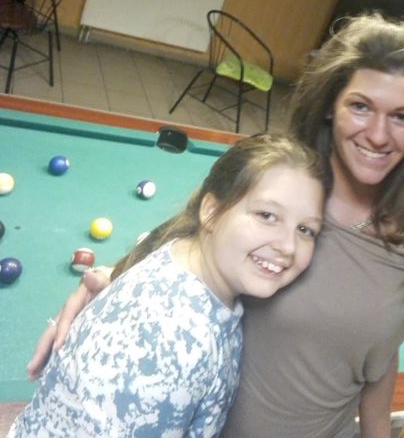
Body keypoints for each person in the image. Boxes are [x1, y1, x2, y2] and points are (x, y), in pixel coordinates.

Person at [27, 13, 404, 437]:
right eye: (360, 106)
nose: (378, 135)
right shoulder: (283, 187)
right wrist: (105, 287)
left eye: (402, 117)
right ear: (330, 107)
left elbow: (380, 350)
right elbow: (192, 244)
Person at [12, 134, 325, 437]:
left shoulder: (186, 257)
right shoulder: (169, 339)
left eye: (305, 229)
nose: (288, 246)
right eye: (267, 215)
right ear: (211, 211)